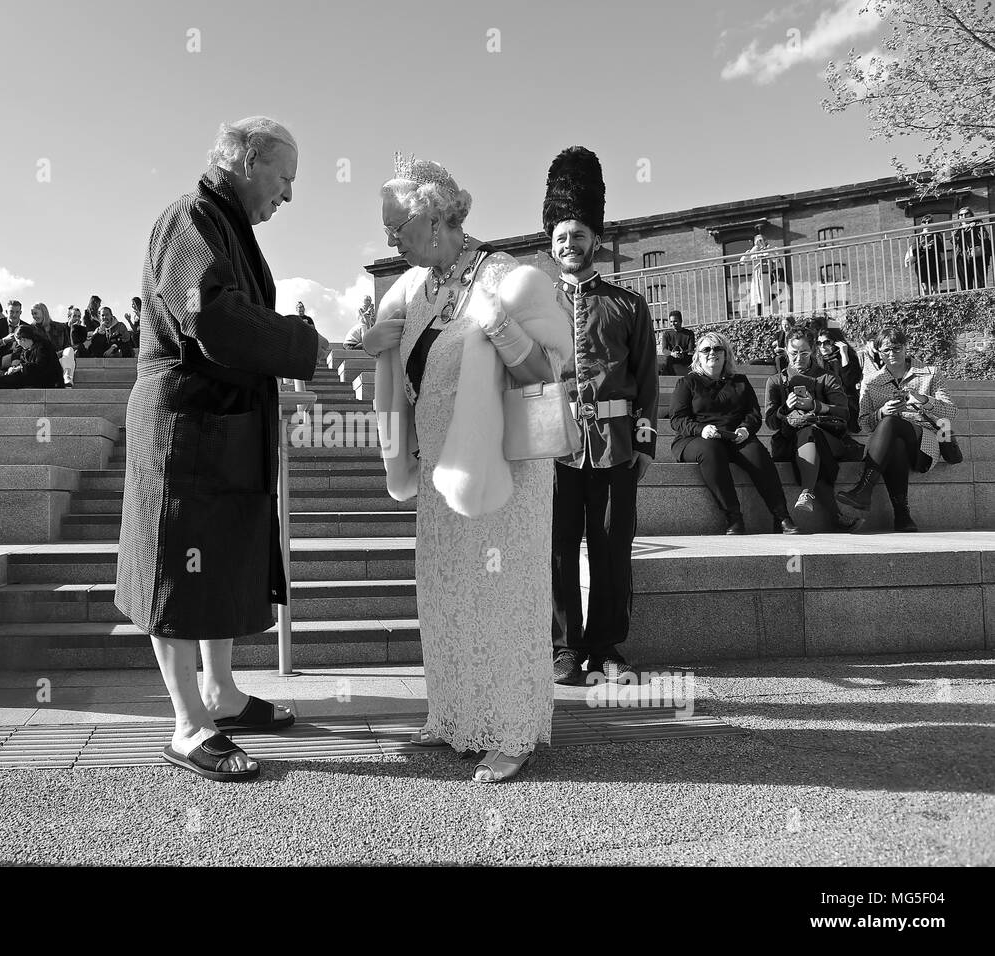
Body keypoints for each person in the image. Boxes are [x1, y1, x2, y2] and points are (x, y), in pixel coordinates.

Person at [115, 116, 328, 783]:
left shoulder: (223, 223)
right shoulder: (190, 219)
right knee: (177, 571)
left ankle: (222, 693)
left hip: (219, 425)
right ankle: (187, 725)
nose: (288, 194)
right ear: (246, 159)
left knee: (215, 560)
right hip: (184, 427)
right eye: (284, 177)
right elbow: (214, 317)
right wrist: (302, 342)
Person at [365, 153, 562, 783]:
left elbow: (547, 376)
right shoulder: (412, 289)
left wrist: (499, 327)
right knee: (447, 593)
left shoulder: (510, 277)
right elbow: (390, 359)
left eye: (397, 226)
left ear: (434, 218)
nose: (389, 238)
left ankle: (511, 730)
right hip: (436, 472)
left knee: (503, 597)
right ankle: (453, 716)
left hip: (505, 472)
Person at [545, 147, 659, 687]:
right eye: (562, 236)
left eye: (579, 235)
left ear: (596, 241)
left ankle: (607, 645)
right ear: (552, 243)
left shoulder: (629, 305)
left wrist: (642, 443)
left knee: (612, 547)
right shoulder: (535, 303)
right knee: (559, 548)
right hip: (554, 442)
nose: (571, 244)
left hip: (615, 444)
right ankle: (563, 647)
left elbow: (648, 381)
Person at [669, 332, 796, 535]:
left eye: (718, 348)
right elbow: (677, 419)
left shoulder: (740, 381)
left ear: (726, 354)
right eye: (706, 349)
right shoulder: (687, 383)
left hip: (735, 437)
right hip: (695, 439)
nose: (712, 353)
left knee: (757, 453)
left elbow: (753, 414)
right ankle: (733, 518)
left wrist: (745, 429)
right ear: (698, 356)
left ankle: (781, 516)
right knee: (711, 450)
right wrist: (702, 430)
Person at [838, 327, 957, 531]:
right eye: (886, 350)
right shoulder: (871, 382)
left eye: (897, 348)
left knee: (892, 423)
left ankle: (864, 489)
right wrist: (882, 412)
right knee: (895, 440)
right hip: (889, 446)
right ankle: (902, 516)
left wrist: (922, 399)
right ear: (878, 352)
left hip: (925, 444)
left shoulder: (930, 374)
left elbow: (951, 412)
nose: (892, 353)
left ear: (906, 347)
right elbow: (864, 423)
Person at [764, 327, 857, 531]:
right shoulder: (776, 381)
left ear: (813, 351)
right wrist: (785, 408)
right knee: (809, 439)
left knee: (811, 433)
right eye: (793, 353)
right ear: (785, 351)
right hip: (790, 441)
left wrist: (815, 406)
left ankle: (807, 492)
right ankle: (835, 516)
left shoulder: (827, 377)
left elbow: (844, 413)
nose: (798, 358)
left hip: (828, 438)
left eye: (804, 353)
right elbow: (770, 422)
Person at [0, 321, 64, 389]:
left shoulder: (43, 346)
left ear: (22, 339)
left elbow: (40, 366)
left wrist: (20, 368)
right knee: (15, 376)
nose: (18, 344)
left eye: (18, 342)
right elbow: (25, 365)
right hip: (37, 379)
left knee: (18, 377)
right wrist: (14, 369)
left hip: (51, 381)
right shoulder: (26, 350)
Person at [817, 327, 862, 431]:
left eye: (826, 342)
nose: (822, 346)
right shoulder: (817, 361)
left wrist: (844, 355)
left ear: (837, 342)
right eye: (819, 343)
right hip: (824, 401)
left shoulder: (849, 359)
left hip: (845, 400)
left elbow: (849, 383)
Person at [953, 206, 992, 291]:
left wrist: (975, 226)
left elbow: (985, 237)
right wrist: (960, 230)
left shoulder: (978, 224)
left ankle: (981, 301)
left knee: (980, 282)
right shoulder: (958, 228)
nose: (963, 216)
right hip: (962, 257)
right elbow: (954, 242)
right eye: (961, 215)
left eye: (966, 214)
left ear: (971, 215)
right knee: (965, 283)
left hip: (978, 255)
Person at [904, 216, 946, 295]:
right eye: (924, 222)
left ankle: (935, 304)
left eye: (929, 222)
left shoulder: (937, 235)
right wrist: (923, 247)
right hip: (922, 264)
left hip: (934, 263)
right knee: (925, 288)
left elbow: (941, 249)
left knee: (935, 288)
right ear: (921, 224)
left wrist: (934, 243)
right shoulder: (918, 237)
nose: (927, 224)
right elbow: (914, 250)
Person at [741, 231, 773, 316]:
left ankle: (769, 314)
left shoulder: (770, 249)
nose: (760, 242)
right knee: (758, 296)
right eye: (758, 241)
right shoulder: (753, 251)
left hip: (768, 275)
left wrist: (766, 249)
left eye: (761, 240)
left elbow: (775, 257)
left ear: (765, 241)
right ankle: (759, 315)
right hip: (757, 275)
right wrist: (753, 250)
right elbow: (743, 261)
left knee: (767, 295)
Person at [660, 309, 694, 375]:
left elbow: (691, 349)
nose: (673, 324)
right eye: (671, 321)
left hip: (685, 357)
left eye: (675, 321)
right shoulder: (666, 334)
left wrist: (682, 353)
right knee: (668, 359)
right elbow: (664, 350)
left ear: (681, 321)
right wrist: (672, 353)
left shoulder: (689, 333)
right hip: (672, 358)